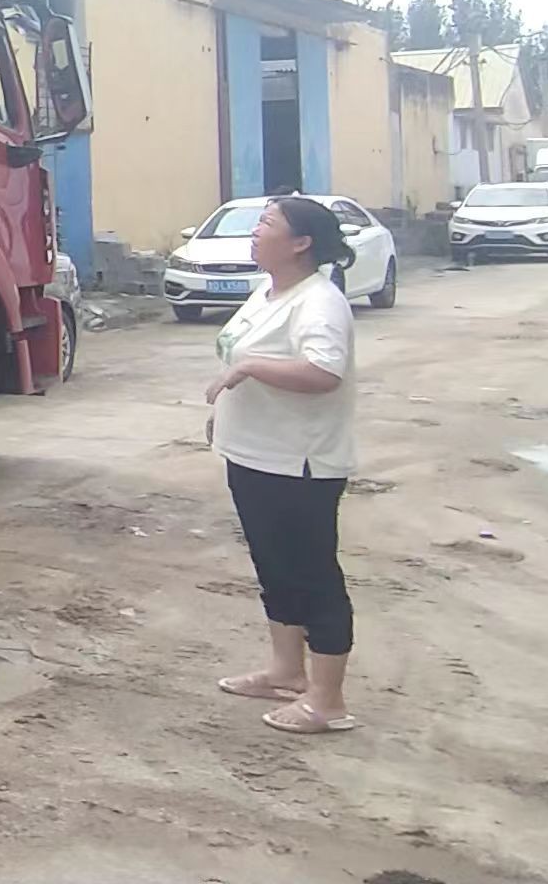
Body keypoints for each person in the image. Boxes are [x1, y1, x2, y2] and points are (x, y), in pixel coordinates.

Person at [205, 194, 363, 734]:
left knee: (313, 574)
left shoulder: (319, 302)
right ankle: (286, 671)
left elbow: (323, 372)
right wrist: (227, 413)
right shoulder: (268, 293)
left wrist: (248, 367)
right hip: (255, 454)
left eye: (267, 223)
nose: (255, 231)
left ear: (301, 242)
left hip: (299, 463)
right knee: (274, 568)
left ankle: (328, 700)